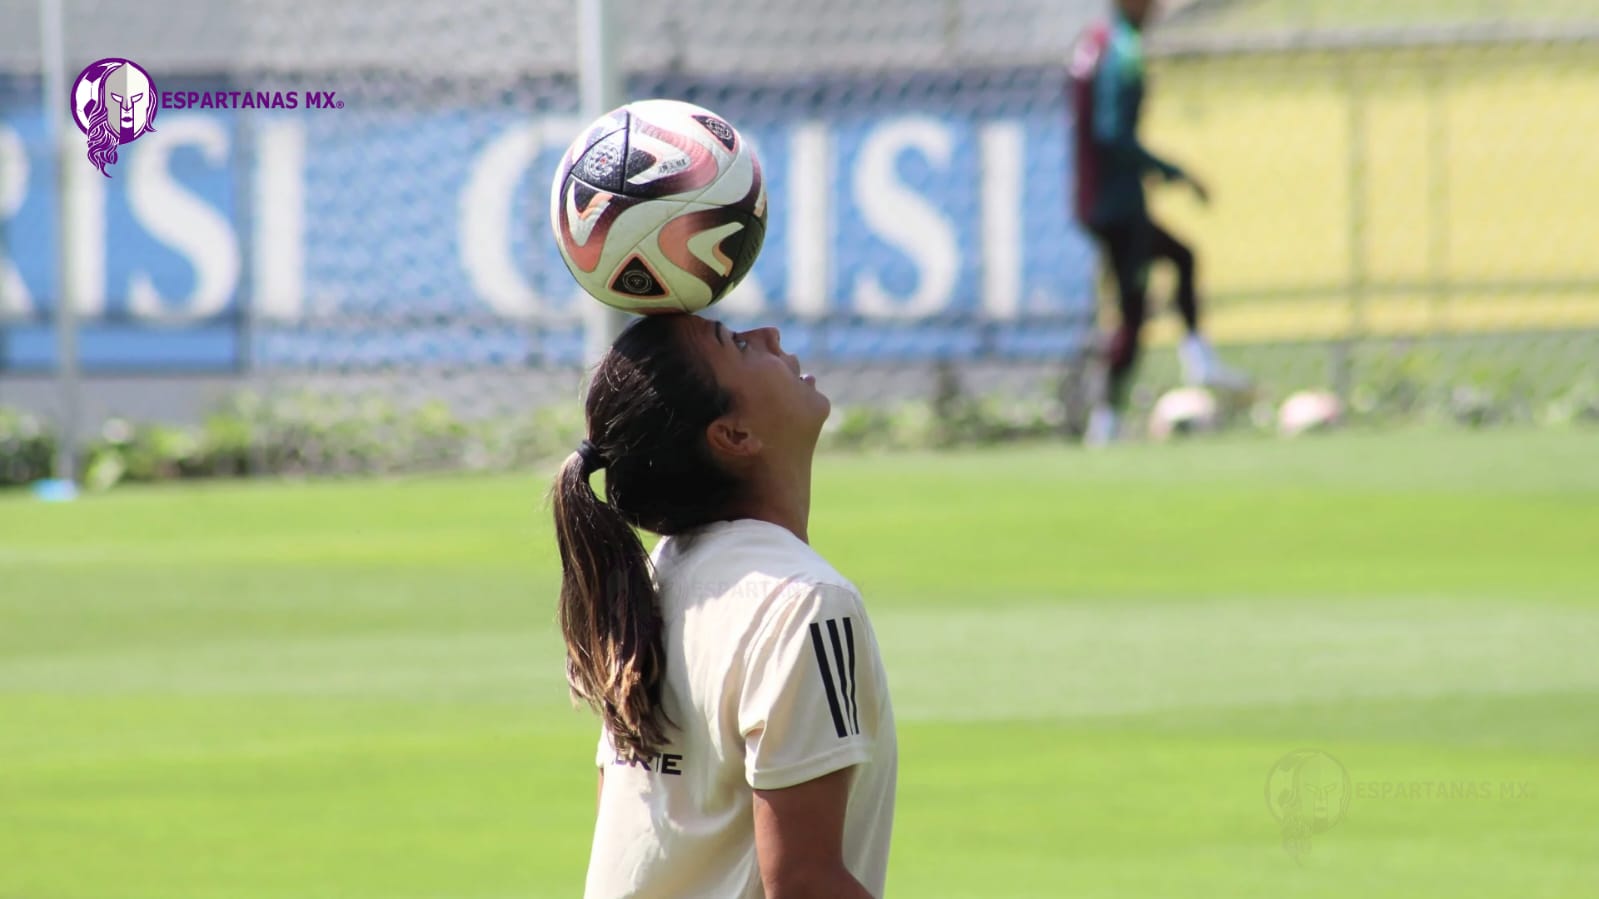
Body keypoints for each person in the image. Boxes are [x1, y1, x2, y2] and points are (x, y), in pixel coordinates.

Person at [551, 313, 897, 898]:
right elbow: (804, 884)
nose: (769, 335)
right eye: (737, 344)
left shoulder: (654, 578)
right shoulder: (806, 602)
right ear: (734, 436)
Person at [1070, 0, 1249, 444]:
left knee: (1179, 258)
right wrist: (1173, 172)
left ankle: (1196, 360)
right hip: (1117, 204)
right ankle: (1105, 421)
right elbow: (1113, 134)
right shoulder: (1121, 51)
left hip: (1100, 200)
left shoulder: (1095, 44)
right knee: (1133, 308)